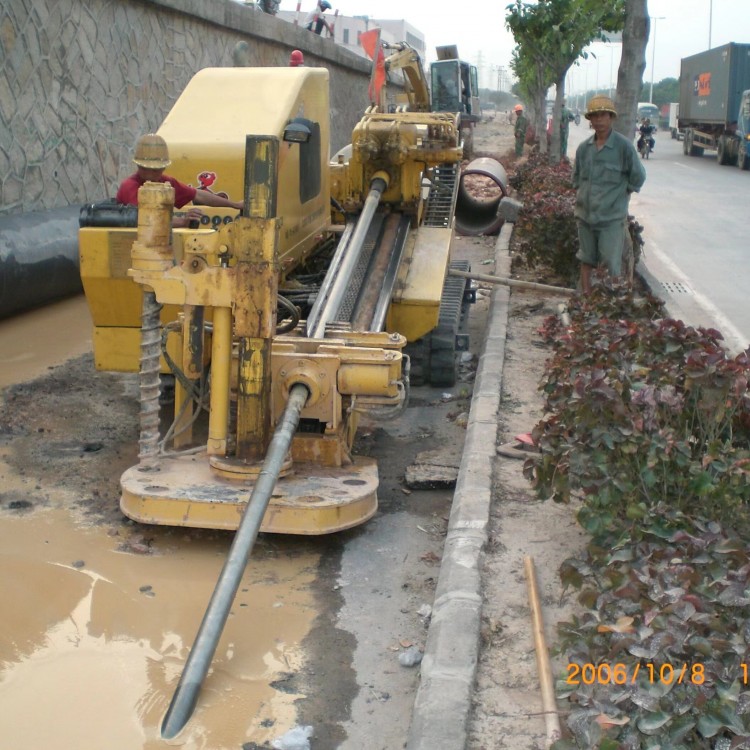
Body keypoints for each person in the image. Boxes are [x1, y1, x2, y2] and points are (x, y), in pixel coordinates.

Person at [572, 96, 646, 295]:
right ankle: (587, 300)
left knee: (609, 266)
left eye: (603, 115)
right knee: (586, 259)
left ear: (611, 117)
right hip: (585, 217)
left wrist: (622, 195)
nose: (599, 120)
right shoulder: (583, 149)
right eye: (594, 116)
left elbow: (638, 177)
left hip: (611, 220)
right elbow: (577, 178)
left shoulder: (624, 147)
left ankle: (607, 306)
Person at [116, 134, 243, 228]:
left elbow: (198, 195)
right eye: (147, 169)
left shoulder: (166, 183)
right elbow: (144, 220)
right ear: (139, 167)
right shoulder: (129, 187)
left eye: (156, 170)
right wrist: (182, 222)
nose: (151, 175)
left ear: (164, 168)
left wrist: (234, 205)